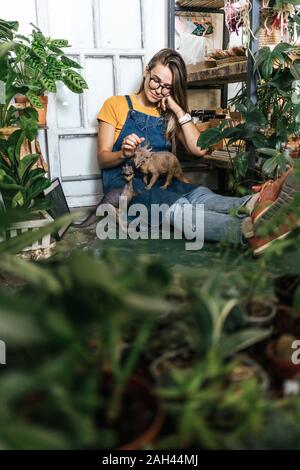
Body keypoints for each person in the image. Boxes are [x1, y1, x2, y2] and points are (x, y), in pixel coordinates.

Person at [97, 48, 298, 254]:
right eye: (155, 80)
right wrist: (124, 154)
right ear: (146, 72)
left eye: (167, 87)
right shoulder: (116, 104)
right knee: (179, 208)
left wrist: (176, 109)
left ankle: (259, 203)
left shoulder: (167, 114)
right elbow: (103, 159)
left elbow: (199, 149)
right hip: (129, 188)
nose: (158, 90)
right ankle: (252, 232)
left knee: (199, 195)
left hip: (164, 182)